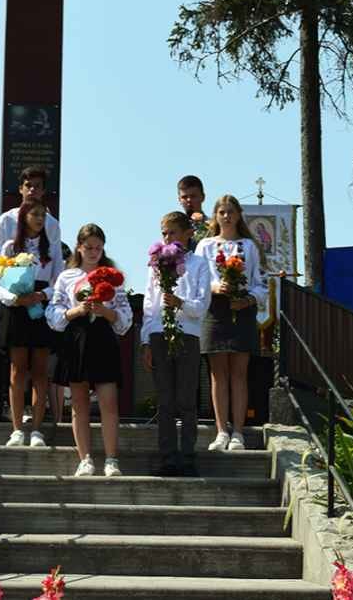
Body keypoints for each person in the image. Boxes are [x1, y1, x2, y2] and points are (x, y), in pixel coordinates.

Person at [47, 224, 132, 477]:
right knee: (79, 402)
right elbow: (54, 312)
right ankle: (84, 458)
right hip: (77, 338)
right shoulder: (67, 276)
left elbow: (125, 317)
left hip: (103, 338)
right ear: (79, 247)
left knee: (108, 400)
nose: (94, 252)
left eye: (98, 247)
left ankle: (111, 459)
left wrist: (106, 312)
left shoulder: (113, 276)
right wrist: (76, 311)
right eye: (89, 247)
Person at [142, 211, 211, 477]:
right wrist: (146, 340)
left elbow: (202, 304)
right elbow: (150, 304)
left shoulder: (198, 264)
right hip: (160, 334)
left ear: (188, 234)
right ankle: (168, 456)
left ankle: (188, 455)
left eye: (172, 232)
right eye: (164, 233)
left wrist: (181, 303)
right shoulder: (155, 264)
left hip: (188, 334)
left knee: (186, 399)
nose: (167, 237)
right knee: (166, 399)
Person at [194, 194, 266, 451]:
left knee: (239, 374)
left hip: (242, 310)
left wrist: (247, 299)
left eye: (231, 212)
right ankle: (221, 430)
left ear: (238, 215)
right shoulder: (205, 245)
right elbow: (198, 280)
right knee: (218, 374)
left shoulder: (249, 246)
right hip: (215, 310)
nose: (226, 216)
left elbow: (261, 283)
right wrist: (215, 286)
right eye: (222, 212)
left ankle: (238, 432)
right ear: (215, 215)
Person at [0, 200, 61, 447]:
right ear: (23, 217)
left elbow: (59, 278)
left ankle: (36, 429)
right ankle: (17, 429)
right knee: (18, 369)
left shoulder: (51, 247)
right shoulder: (10, 246)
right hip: (17, 306)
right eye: (35, 214)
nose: (39, 219)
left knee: (40, 371)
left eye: (43, 215)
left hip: (41, 304)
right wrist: (16, 298)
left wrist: (43, 296)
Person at [0, 166, 62, 268]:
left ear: (43, 191)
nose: (32, 190)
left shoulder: (52, 224)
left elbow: (57, 261)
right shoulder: (6, 220)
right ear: (20, 189)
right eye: (28, 185)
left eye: (37, 186)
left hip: (42, 282)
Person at [177, 175, 210, 247]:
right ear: (179, 199)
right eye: (184, 197)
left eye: (193, 196)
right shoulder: (174, 229)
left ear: (203, 197)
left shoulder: (213, 226)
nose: (189, 200)